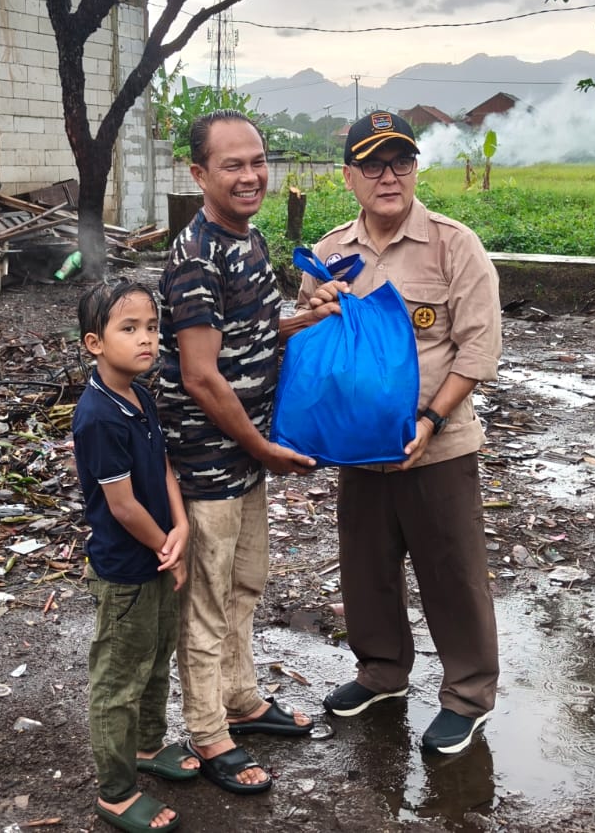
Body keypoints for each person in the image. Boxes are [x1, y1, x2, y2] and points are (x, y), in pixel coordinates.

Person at [297, 111, 502, 755]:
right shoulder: (329, 253)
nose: (390, 176)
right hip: (359, 451)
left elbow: (477, 349)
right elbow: (312, 346)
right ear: (349, 177)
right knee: (367, 569)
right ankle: (382, 673)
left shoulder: (453, 244)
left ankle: (467, 694)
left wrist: (431, 417)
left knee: (452, 572)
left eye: (401, 162)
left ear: (415, 168)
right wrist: (316, 311)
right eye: (374, 164)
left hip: (436, 446)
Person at [155, 109, 342, 794]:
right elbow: (202, 373)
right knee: (206, 601)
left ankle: (241, 698)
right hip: (211, 458)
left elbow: (253, 332)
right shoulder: (197, 255)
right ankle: (208, 731)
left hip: (246, 454)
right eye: (231, 165)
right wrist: (262, 446)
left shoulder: (250, 238)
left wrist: (307, 320)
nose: (251, 175)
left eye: (258, 160)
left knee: (245, 582)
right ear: (199, 174)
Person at [73, 281, 199, 833]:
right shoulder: (98, 416)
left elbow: (165, 465)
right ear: (94, 343)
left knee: (156, 658)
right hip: (126, 568)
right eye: (130, 330)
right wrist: (165, 548)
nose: (147, 340)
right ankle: (117, 791)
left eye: (151, 327)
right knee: (118, 680)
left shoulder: (139, 395)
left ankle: (148, 746)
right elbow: (122, 507)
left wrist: (182, 526)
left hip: (158, 555)